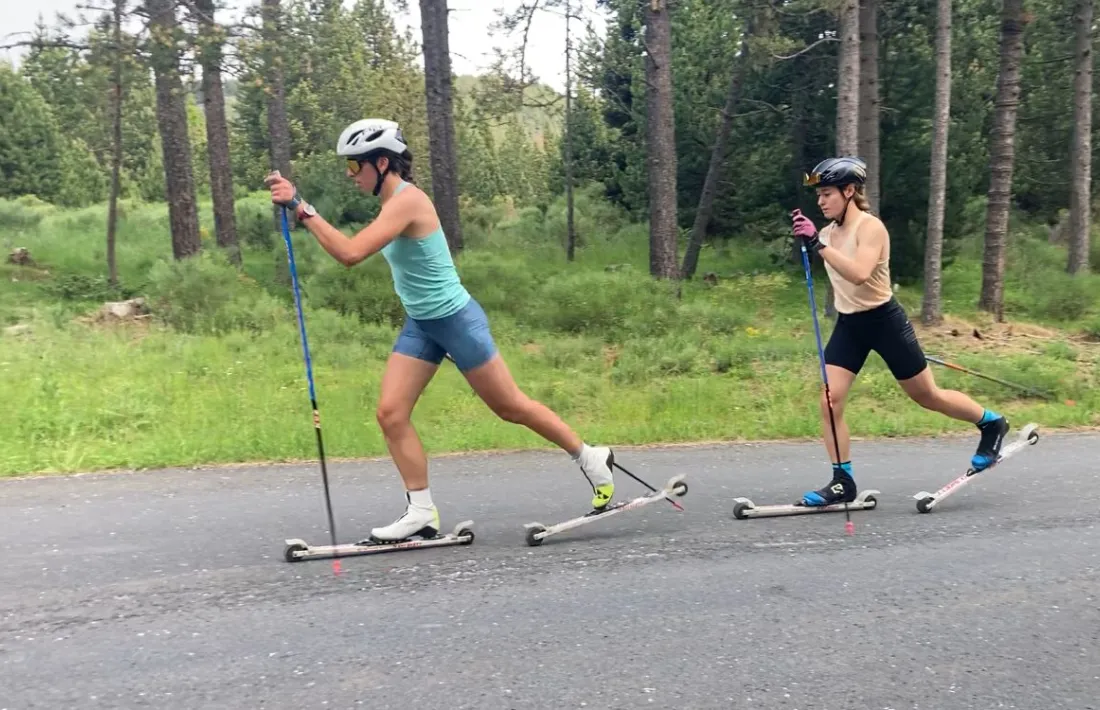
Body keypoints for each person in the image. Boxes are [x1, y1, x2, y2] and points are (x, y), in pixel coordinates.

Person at [263, 118, 616, 541]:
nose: (349, 175)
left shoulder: (408, 202)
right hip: (422, 324)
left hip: (456, 321)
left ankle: (589, 457)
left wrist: (302, 208)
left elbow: (351, 253)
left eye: (355, 167)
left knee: (510, 407)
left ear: (381, 163)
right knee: (390, 413)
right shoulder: (390, 203)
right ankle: (421, 511)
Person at [789, 156, 1009, 507]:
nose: (820, 201)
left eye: (827, 193)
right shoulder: (829, 233)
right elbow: (835, 266)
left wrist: (817, 245)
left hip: (884, 321)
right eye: (818, 195)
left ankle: (991, 423)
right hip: (850, 325)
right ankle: (842, 481)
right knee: (829, 400)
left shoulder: (870, 228)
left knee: (927, 396)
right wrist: (814, 244)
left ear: (849, 191)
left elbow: (860, 273)